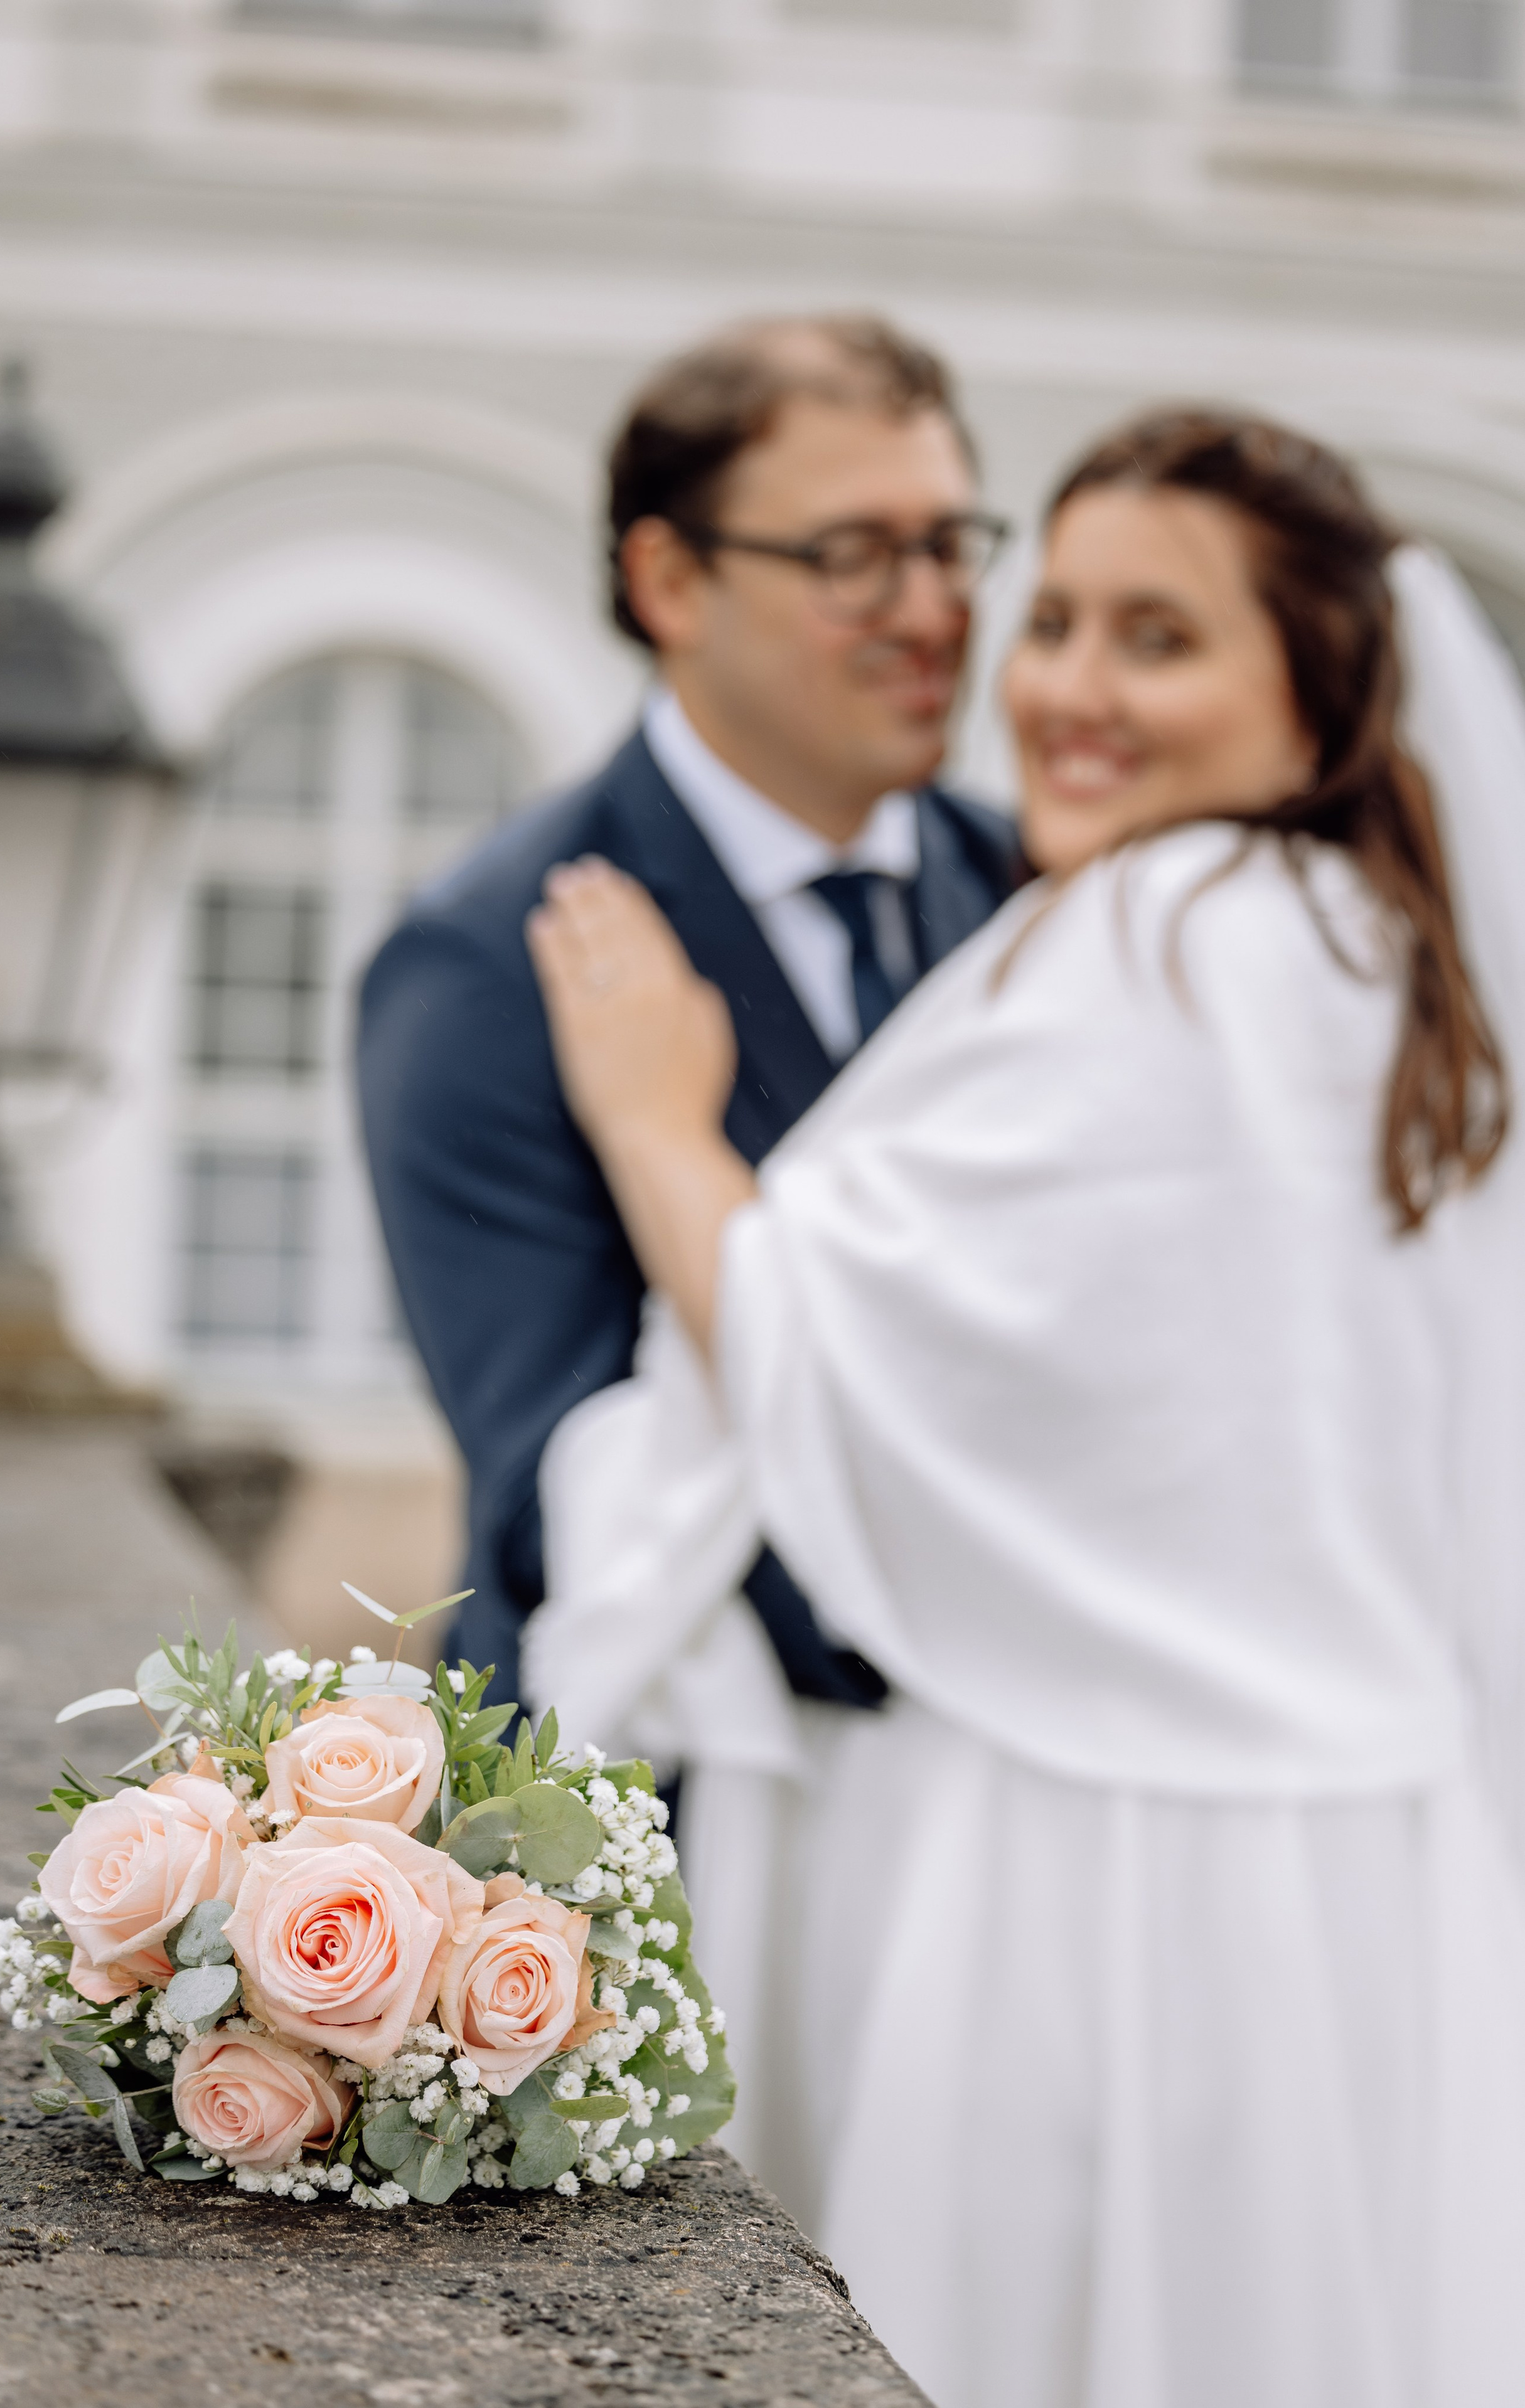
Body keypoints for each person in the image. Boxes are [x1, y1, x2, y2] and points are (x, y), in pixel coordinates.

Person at [522, 408, 1525, 2408]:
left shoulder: (1161, 935)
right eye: (1054, 617)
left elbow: (830, 1343)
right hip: (1365, 1873)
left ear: (1316, 685)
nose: (1064, 686)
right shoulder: (1375, 948)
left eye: (1158, 639)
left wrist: (654, 1117)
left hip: (1113, 1874)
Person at [357, 315, 1023, 1725]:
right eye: (852, 555)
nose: (929, 610)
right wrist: (1017, 1607)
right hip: (671, 1813)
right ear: (669, 577)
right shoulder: (485, 961)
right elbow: (559, 1481)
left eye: (950, 543)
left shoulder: (1034, 893)